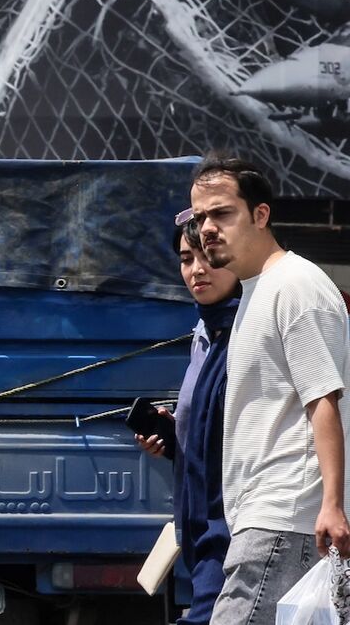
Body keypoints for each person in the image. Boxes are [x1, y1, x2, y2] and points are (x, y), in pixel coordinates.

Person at [187, 150, 350, 625]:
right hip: (264, 519)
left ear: (260, 215)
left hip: (284, 515)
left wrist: (332, 505)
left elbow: (324, 399)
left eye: (222, 213)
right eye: (199, 217)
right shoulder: (256, 290)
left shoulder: (294, 285)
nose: (207, 228)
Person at [135, 223, 238, 625]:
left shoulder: (251, 331)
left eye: (208, 257)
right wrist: (176, 438)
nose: (197, 269)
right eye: (185, 259)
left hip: (232, 530)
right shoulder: (205, 333)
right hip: (198, 529)